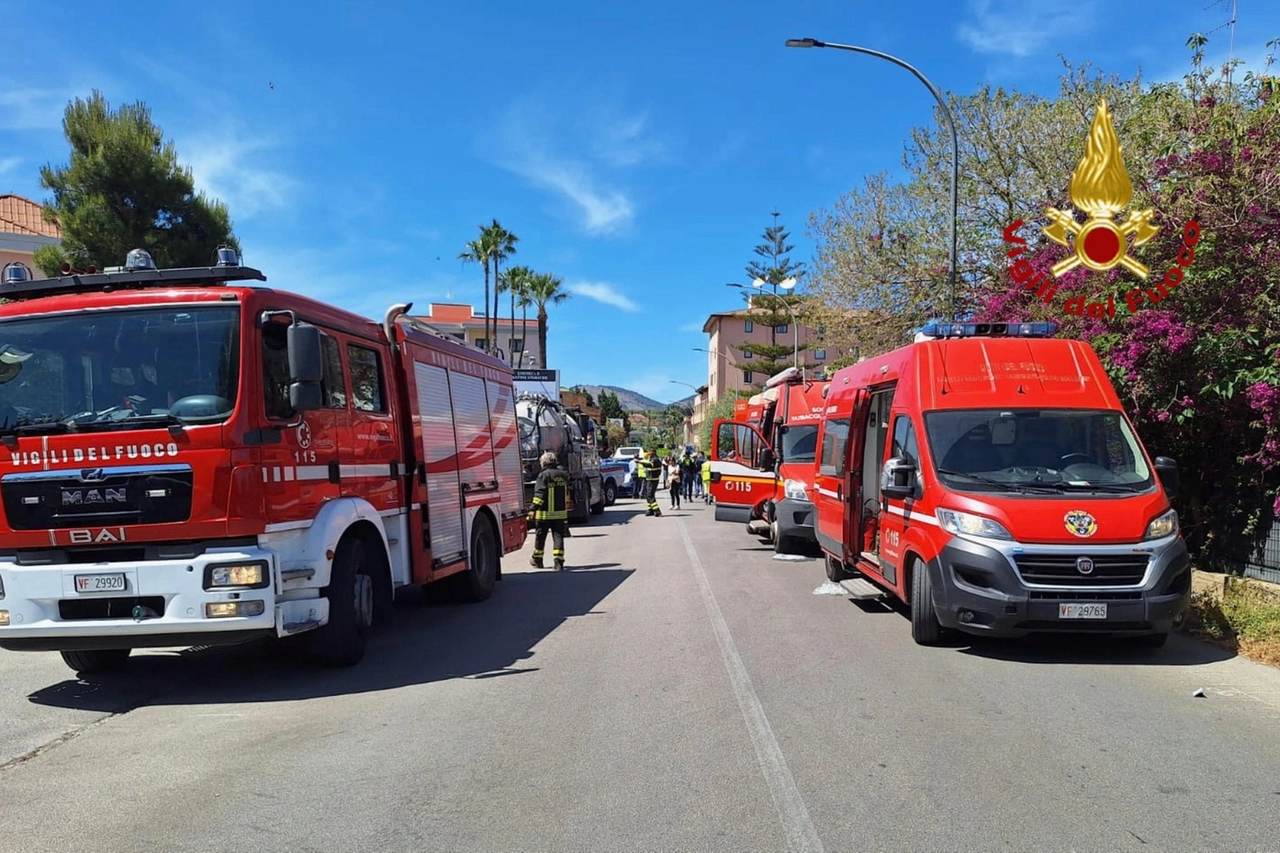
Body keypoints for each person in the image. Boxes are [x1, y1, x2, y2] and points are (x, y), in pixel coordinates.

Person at [528, 451, 569, 571]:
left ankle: (537, 559)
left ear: (544, 463)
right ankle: (558, 562)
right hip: (560, 514)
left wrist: (532, 509)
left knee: (540, 537)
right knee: (558, 537)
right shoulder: (563, 475)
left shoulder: (543, 475)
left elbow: (539, 494)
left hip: (544, 514)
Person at [639, 448, 663, 517]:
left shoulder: (655, 460)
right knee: (648, 495)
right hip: (649, 479)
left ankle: (657, 510)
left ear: (653, 452)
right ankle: (650, 510)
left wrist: (640, 461)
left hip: (653, 480)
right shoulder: (651, 459)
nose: (648, 453)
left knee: (650, 495)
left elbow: (649, 464)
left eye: (649, 451)